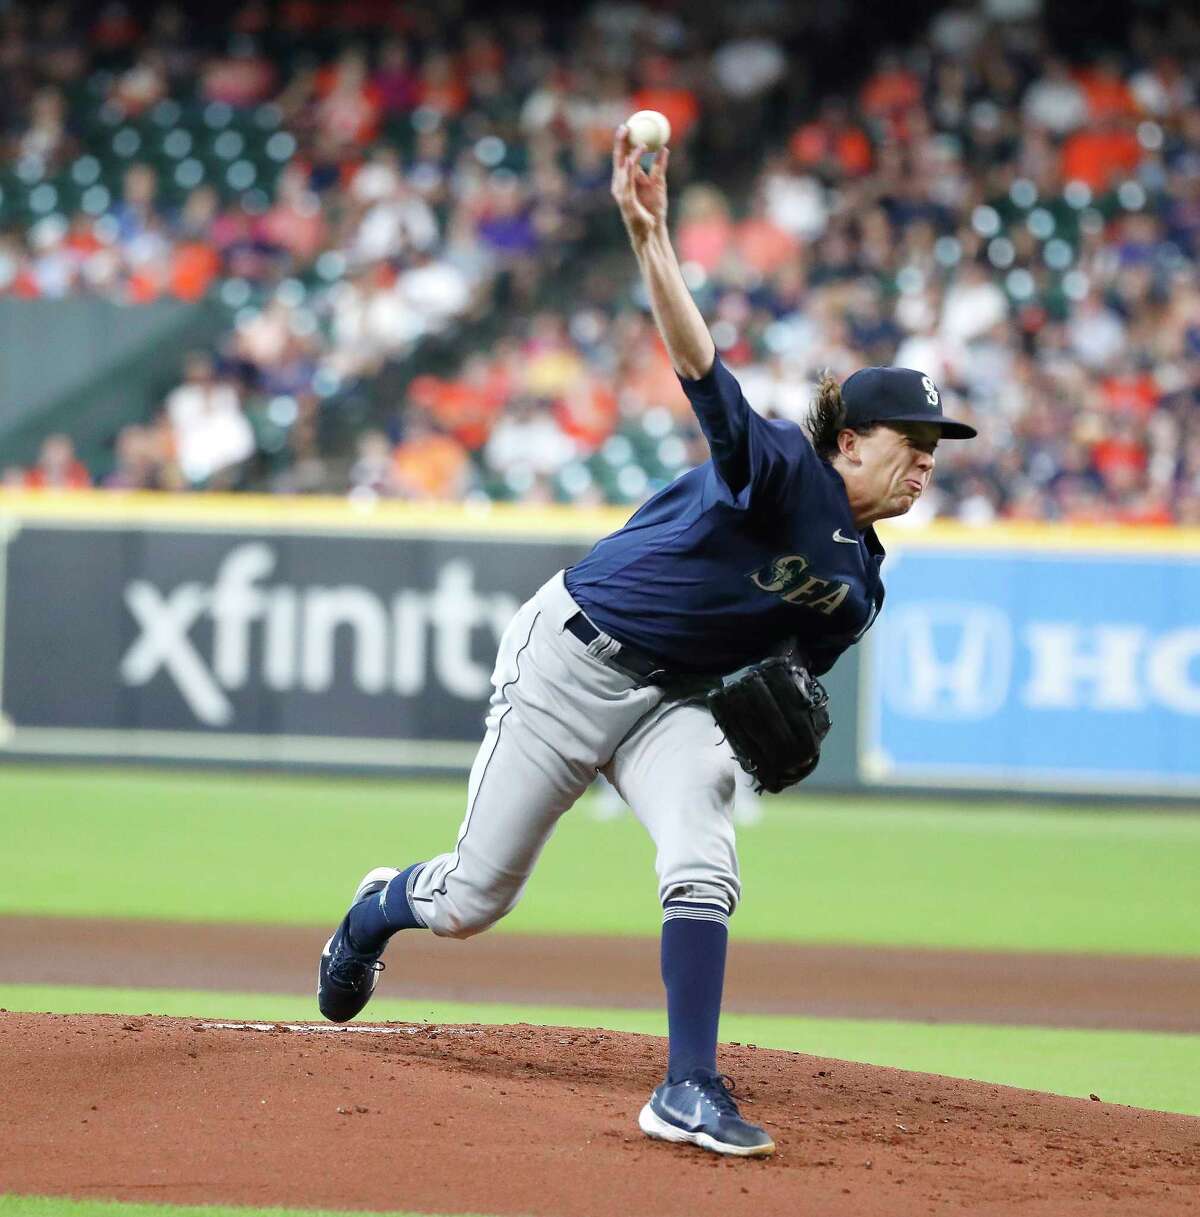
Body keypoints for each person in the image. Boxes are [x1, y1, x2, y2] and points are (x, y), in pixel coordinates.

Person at [317, 125, 976, 1157]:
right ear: (851, 440)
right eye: (914, 445)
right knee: (474, 898)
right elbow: (701, 367)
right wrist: (649, 235)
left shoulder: (859, 585)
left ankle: (689, 1084)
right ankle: (372, 912)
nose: (928, 464)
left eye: (937, 451)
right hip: (573, 657)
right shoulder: (780, 470)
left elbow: (788, 683)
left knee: (704, 850)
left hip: (677, 702)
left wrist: (781, 714)